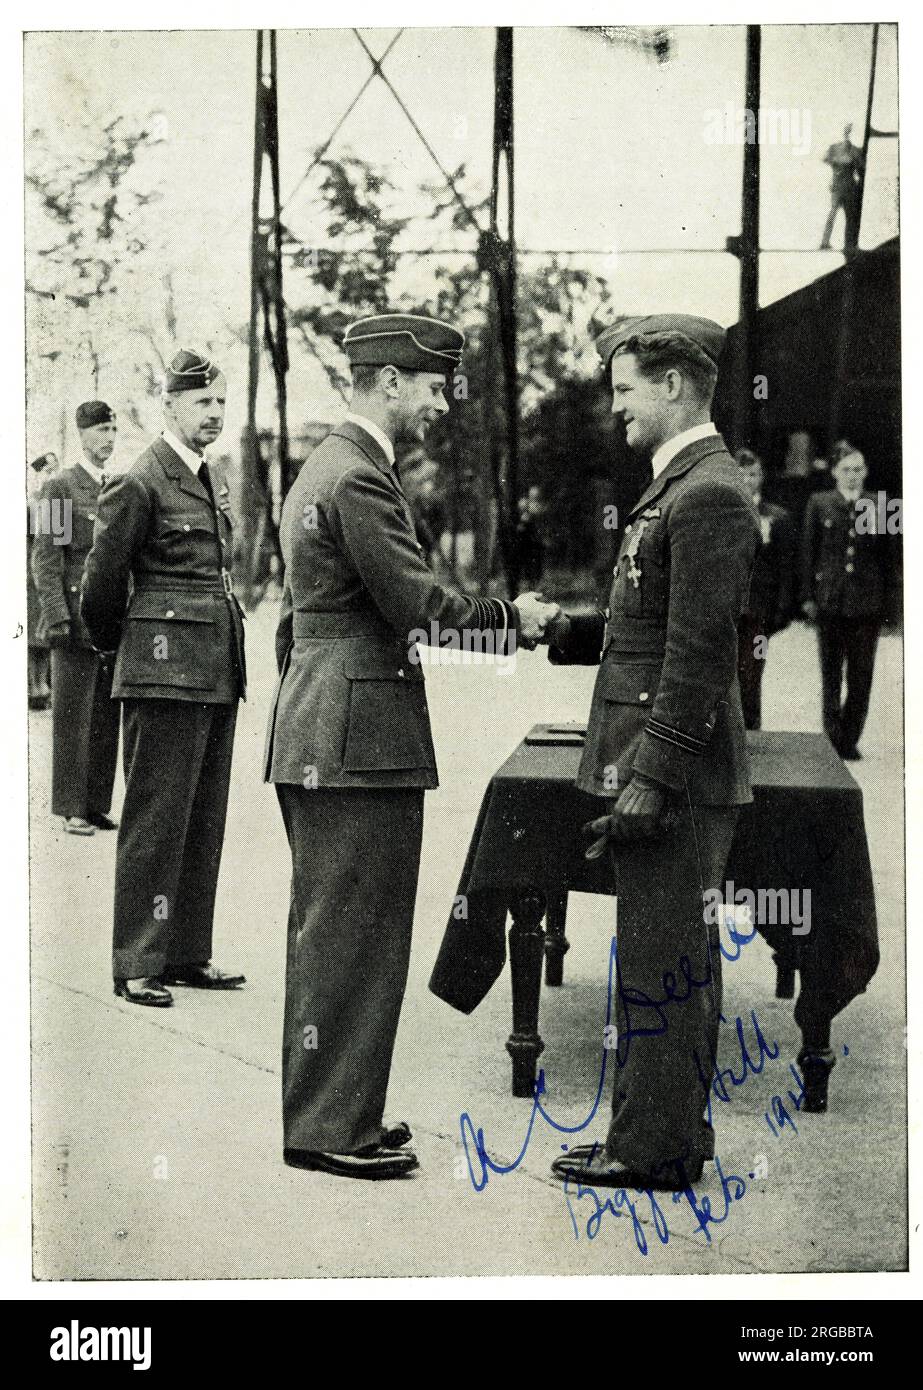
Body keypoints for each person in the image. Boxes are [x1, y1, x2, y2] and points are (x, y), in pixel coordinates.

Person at [264, 311, 557, 1181]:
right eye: (432, 387)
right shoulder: (357, 477)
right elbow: (420, 608)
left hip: (330, 729)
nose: (439, 405)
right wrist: (516, 620)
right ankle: (327, 1128)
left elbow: (301, 625)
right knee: (351, 930)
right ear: (388, 381)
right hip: (358, 740)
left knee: (339, 928)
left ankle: (338, 1111)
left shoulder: (330, 465)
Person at [544, 313, 761, 1192]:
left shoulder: (704, 491)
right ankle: (656, 1132)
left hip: (675, 775)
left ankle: (653, 1150)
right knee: (659, 954)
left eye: (626, 390)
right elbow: (650, 624)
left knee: (663, 959)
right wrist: (563, 630)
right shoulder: (682, 484)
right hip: (667, 768)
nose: (616, 409)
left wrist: (652, 774)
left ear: (673, 386)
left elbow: (699, 654)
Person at [81, 351, 246, 1007]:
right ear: (171, 406)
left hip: (213, 669)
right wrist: (119, 651)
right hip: (161, 671)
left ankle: (184, 953)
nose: (215, 414)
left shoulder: (207, 476)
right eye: (203, 402)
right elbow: (100, 582)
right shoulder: (142, 479)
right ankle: (135, 961)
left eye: (221, 403)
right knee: (154, 822)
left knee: (202, 820)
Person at [31, 409, 121, 833]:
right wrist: (56, 616)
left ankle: (94, 803)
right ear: (83, 435)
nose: (110, 437)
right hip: (72, 620)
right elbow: (47, 559)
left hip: (106, 621)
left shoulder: (114, 486)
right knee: (73, 717)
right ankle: (70, 807)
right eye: (102, 430)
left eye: (114, 429)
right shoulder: (61, 486)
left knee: (104, 715)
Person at [801, 448, 888, 759]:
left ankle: (849, 738)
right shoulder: (820, 503)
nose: (853, 475)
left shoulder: (878, 505)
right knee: (831, 672)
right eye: (847, 469)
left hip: (867, 604)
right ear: (835, 471)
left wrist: (889, 603)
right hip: (831, 602)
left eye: (859, 469)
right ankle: (832, 737)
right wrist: (809, 597)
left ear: (865, 472)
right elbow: (809, 553)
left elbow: (889, 558)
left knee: (861, 675)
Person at [735, 448, 796, 729]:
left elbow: (785, 566)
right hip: (728, 606)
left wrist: (782, 608)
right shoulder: (724, 513)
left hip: (759, 610)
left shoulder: (777, 517)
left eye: (754, 474)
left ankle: (751, 728)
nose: (749, 480)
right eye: (743, 474)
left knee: (752, 671)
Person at [27, 452, 59, 710]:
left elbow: (59, 543)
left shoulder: (56, 502)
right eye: (47, 471)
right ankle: (34, 686)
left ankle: (42, 687)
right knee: (32, 635)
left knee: (44, 634)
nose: (51, 475)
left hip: (46, 578)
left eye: (54, 470)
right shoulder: (30, 505)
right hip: (29, 576)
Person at [820, 123, 865, 255]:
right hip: (845, 186)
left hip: (842, 186)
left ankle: (831, 242)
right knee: (846, 215)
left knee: (840, 214)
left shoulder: (838, 149)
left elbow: (826, 159)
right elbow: (860, 168)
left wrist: (836, 163)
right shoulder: (852, 150)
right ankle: (844, 244)